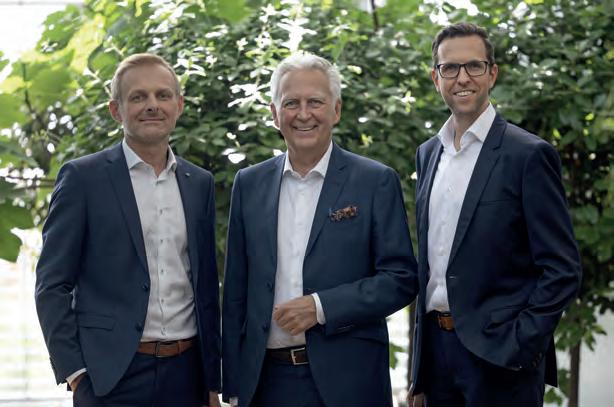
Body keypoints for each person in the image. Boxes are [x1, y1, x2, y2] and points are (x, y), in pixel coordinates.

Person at [222, 52, 418, 407]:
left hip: (350, 382)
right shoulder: (248, 184)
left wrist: (321, 306)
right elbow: (236, 290)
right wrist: (233, 388)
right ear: (274, 114)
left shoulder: (375, 181)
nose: (303, 114)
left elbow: (400, 279)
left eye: (315, 102)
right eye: (291, 103)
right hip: (266, 384)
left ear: (336, 110)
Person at [409, 22, 582, 406]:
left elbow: (562, 268)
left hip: (501, 361)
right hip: (437, 359)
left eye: (474, 66)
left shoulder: (528, 155)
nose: (462, 78)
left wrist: (520, 344)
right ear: (436, 78)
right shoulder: (428, 154)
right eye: (450, 68)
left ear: (492, 73)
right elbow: (431, 266)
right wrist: (420, 372)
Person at [35, 53, 221, 406]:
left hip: (188, 375)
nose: (152, 105)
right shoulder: (83, 179)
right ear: (115, 110)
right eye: (138, 97)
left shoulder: (199, 183)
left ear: (179, 105)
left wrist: (212, 380)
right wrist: (76, 374)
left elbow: (206, 286)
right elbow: (52, 284)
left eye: (162, 95)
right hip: (111, 378)